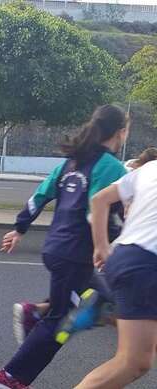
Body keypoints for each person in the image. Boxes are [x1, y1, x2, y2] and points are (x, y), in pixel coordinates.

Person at [0, 104, 130, 389]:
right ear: (120, 132)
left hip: (56, 249)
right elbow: (96, 210)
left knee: (101, 302)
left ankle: (37, 312)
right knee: (63, 319)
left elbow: (40, 195)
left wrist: (19, 228)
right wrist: (105, 244)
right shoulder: (112, 167)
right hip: (75, 255)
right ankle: (11, 376)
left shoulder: (71, 163)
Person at [71, 159, 157, 389]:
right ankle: (108, 310)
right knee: (133, 362)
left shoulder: (150, 168)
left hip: (126, 256)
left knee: (139, 357)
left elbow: (99, 200)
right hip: (148, 264)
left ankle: (107, 309)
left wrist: (101, 246)